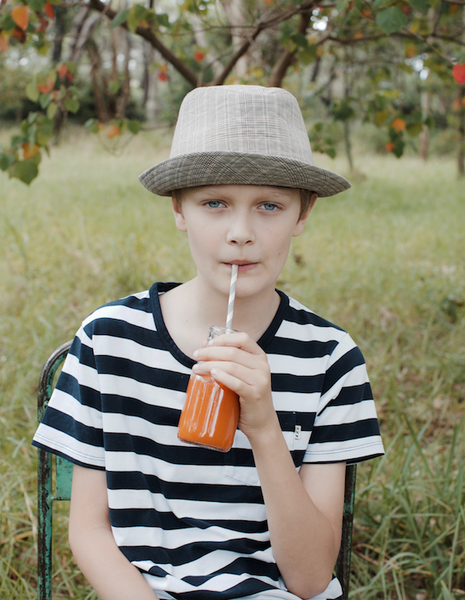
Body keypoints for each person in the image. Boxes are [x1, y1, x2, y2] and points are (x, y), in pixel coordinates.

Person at [33, 85, 384, 600]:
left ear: (302, 215)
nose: (241, 232)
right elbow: (89, 531)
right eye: (214, 203)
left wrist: (264, 427)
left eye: (269, 205)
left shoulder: (331, 359)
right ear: (179, 210)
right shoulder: (109, 343)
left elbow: (309, 578)